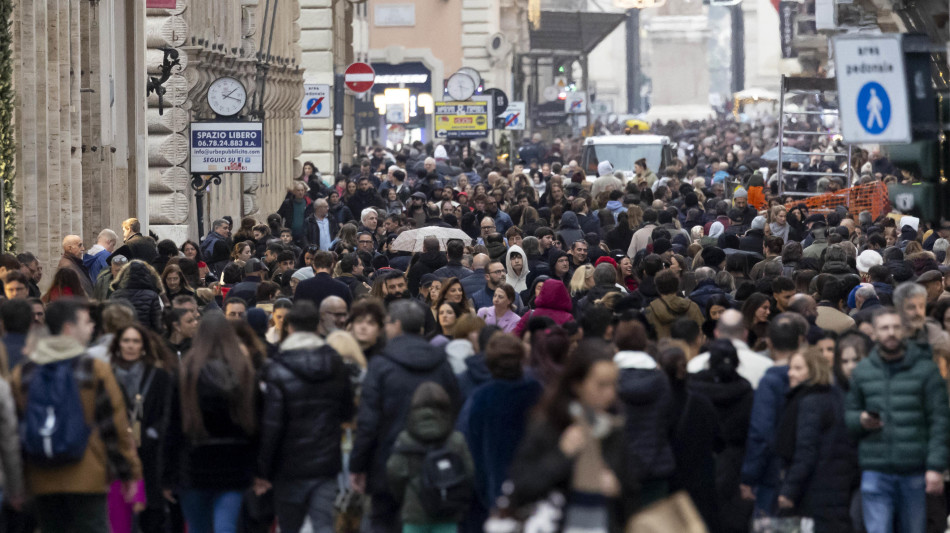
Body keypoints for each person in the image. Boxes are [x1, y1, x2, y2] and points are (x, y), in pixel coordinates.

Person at [11, 298, 142, 533]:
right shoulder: (94, 368)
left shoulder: (24, 372)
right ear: (68, 328)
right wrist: (128, 472)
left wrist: (17, 482)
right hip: (87, 475)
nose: (92, 326)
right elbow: (113, 425)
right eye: (86, 322)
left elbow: (15, 431)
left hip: (41, 476)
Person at [349, 299, 460, 533]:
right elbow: (455, 409)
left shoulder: (381, 364)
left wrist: (357, 465)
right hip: (435, 462)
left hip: (388, 463)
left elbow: (368, 422)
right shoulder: (441, 362)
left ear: (397, 325)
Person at [506, 340, 637, 532]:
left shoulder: (614, 428)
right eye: (601, 385)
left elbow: (633, 495)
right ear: (577, 384)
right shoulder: (551, 426)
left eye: (613, 384)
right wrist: (562, 454)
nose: (610, 393)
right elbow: (522, 487)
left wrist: (618, 488)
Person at [846, 307, 950, 533]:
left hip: (914, 470)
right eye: (884, 328)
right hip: (875, 467)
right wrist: (860, 419)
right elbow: (849, 414)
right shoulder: (862, 371)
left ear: (904, 331)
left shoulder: (926, 370)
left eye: (896, 327)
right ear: (874, 333)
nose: (891, 332)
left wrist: (935, 467)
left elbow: (940, 421)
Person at [258, 302, 354, 533]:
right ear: (317, 325)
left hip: (288, 466)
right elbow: (347, 412)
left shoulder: (277, 366)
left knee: (289, 527)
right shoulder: (335, 362)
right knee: (324, 525)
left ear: (290, 327)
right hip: (326, 461)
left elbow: (271, 425)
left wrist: (262, 470)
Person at [173, 313, 259, 533]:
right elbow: (256, 423)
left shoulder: (186, 372)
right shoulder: (244, 371)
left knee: (198, 527)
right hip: (234, 464)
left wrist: (166, 475)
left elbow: (172, 425)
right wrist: (260, 468)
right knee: (226, 525)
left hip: (193, 464)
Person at [457, 334, 543, 530]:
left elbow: (469, 448)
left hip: (492, 495)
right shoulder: (537, 393)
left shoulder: (481, 399)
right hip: (532, 493)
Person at [776, 347, 857, 533]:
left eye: (798, 368)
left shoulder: (809, 401)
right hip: (837, 486)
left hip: (814, 488)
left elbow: (806, 450)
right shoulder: (836, 396)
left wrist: (789, 490)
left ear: (814, 370)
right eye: (790, 368)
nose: (790, 373)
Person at [107, 324, 177, 533]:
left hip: (151, 454)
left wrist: (152, 433)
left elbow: (168, 412)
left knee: (151, 516)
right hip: (116, 455)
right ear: (118, 344)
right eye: (126, 341)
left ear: (144, 346)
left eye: (135, 341)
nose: (130, 346)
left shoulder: (159, 376)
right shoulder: (107, 374)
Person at [386, 382, 474, 533]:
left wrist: (406, 496)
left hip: (415, 514)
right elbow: (469, 473)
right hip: (447, 512)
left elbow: (394, 473)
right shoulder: (456, 440)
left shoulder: (406, 439)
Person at [613, 320, 674, 507]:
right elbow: (669, 418)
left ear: (617, 344)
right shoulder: (661, 379)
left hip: (618, 466)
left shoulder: (608, 379)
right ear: (644, 343)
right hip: (656, 464)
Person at [645, 269, 704, 339]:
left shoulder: (650, 311)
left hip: (662, 345)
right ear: (677, 285)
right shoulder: (692, 307)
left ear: (657, 288)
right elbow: (702, 332)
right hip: (689, 344)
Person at [110, 260, 164, 333]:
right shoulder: (152, 295)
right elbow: (157, 324)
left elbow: (110, 320)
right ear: (147, 275)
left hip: (121, 335)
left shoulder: (115, 295)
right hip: (144, 335)